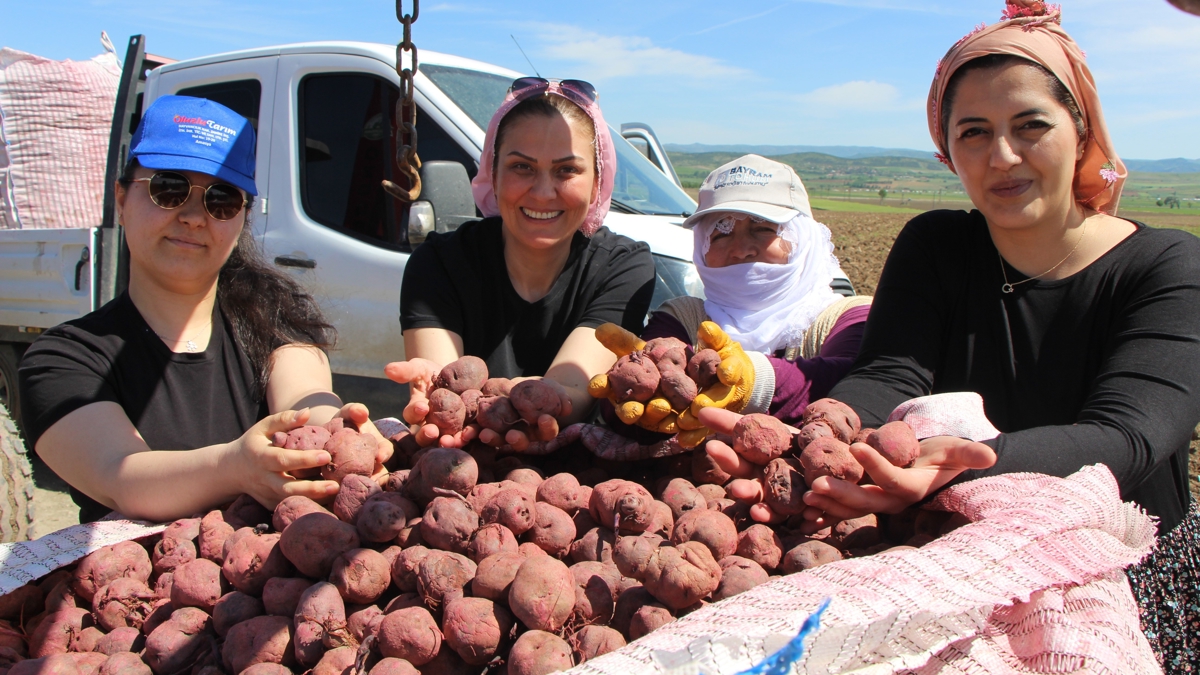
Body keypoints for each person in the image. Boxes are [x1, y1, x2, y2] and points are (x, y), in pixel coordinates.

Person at [706, 2, 1200, 667]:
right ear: (947, 152)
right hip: (955, 556)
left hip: (1123, 575)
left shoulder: (1168, 266)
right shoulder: (936, 246)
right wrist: (820, 440)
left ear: (1081, 130)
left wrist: (955, 465)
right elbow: (889, 375)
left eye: (1031, 126)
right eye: (974, 132)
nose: (1002, 156)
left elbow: (1127, 438)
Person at [18, 96, 390, 524]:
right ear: (121, 200)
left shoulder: (274, 322)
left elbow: (306, 404)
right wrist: (233, 468)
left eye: (222, 200)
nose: (195, 216)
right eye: (169, 188)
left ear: (242, 218)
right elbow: (120, 476)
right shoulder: (64, 359)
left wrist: (340, 430)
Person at [390, 78, 656, 452]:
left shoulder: (623, 267)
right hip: (463, 459)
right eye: (522, 167)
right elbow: (444, 392)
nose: (543, 192)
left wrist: (532, 403)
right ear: (493, 175)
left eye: (567, 170)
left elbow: (573, 387)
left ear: (597, 183)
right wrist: (438, 399)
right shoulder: (438, 263)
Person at [582, 155, 871, 459]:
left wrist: (752, 382)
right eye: (721, 232)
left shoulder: (850, 317)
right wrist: (628, 396)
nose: (741, 250)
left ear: (802, 237)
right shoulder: (683, 317)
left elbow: (860, 385)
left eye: (763, 228)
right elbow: (629, 409)